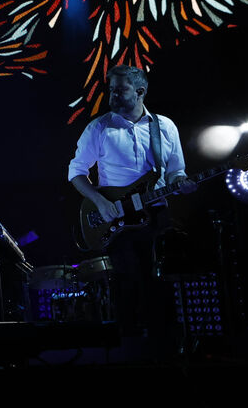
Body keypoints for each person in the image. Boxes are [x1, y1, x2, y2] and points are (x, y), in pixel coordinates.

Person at [68, 65, 196, 359]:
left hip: (157, 216)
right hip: (119, 221)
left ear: (140, 92)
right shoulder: (98, 128)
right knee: (129, 285)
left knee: (160, 286)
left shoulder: (164, 126)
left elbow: (176, 170)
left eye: (120, 89)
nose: (112, 94)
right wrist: (100, 202)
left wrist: (182, 183)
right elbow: (76, 172)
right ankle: (130, 352)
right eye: (111, 89)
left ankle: (166, 353)